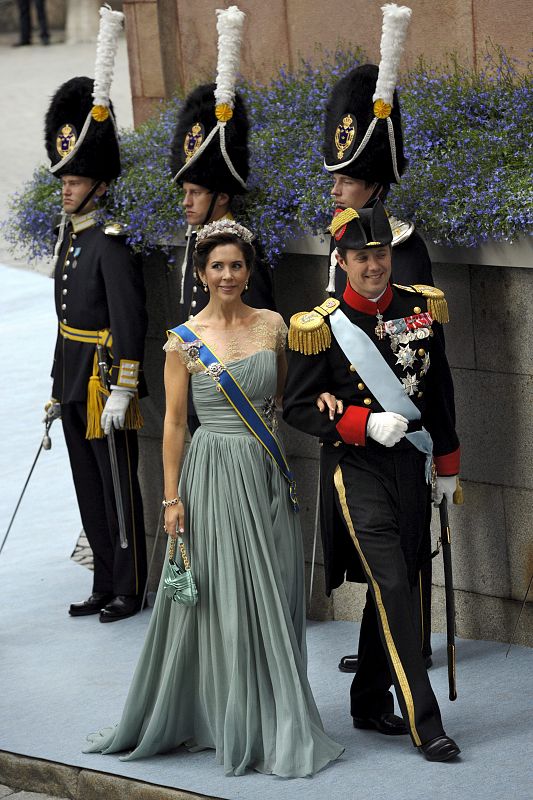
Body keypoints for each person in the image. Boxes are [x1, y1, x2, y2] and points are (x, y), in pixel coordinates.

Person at [83, 219, 344, 777]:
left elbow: (280, 397)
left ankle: (276, 712)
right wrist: (171, 499)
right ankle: (226, 715)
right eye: (217, 266)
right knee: (221, 596)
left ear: (249, 270)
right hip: (210, 475)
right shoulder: (182, 340)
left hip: (265, 470)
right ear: (201, 273)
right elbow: (174, 423)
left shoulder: (274, 325)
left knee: (272, 588)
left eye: (238, 265)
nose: (228, 274)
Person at [283, 200, 461, 763]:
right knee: (392, 583)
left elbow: (440, 394)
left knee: (402, 576)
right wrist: (358, 422)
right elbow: (297, 407)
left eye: (380, 254)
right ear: (343, 260)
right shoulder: (321, 326)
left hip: (410, 465)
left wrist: (449, 468)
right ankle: (424, 720)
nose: (373, 267)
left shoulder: (419, 309)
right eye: (361, 257)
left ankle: (366, 699)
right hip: (355, 470)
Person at [322, 6, 442, 670]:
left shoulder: (402, 247)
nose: (335, 187)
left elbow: (412, 343)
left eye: (345, 178)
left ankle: (409, 645)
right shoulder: (344, 237)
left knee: (405, 545)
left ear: (372, 184)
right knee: (372, 546)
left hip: (399, 415)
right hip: (355, 419)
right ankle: (380, 649)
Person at [43, 6, 148, 623]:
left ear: (100, 185)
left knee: (116, 489)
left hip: (107, 380)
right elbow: (64, 319)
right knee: (88, 489)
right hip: (75, 376)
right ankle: (102, 579)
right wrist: (57, 386)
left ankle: (129, 587)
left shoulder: (110, 242)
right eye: (64, 177)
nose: (67, 186)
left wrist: (125, 385)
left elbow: (128, 318)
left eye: (77, 179)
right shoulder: (73, 237)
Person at [169, 6, 275, 436]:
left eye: (196, 193)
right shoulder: (195, 241)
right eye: (185, 192)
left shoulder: (245, 246)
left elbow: (265, 321)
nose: (187, 202)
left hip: (234, 394)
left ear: (222, 196)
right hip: (195, 387)